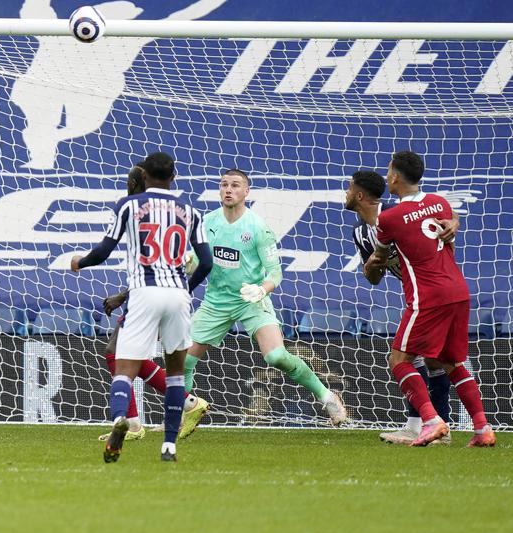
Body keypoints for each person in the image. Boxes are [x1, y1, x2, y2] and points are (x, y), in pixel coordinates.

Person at [13, 0, 272, 169]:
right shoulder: (62, 32)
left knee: (81, 127)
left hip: (95, 88)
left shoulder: (132, 36)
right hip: (46, 82)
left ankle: (49, 141)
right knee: (40, 121)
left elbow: (190, 14)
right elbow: (34, 11)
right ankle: (42, 159)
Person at [70, 152, 213, 463]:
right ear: (173, 177)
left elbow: (103, 251)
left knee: (123, 368)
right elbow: (206, 262)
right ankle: (169, 446)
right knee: (176, 373)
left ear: (144, 176)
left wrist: (80, 261)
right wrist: (185, 289)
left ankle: (122, 421)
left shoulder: (129, 206)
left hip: (144, 293)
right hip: (178, 296)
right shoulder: (191, 212)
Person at [183, 169, 348, 427]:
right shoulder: (207, 222)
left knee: (276, 357)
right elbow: (196, 260)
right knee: (184, 360)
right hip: (216, 302)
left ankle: (328, 397)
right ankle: (180, 415)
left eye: (235, 185)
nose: (228, 190)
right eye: (224, 185)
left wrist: (261, 290)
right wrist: (188, 262)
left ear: (246, 191)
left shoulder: (258, 227)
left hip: (252, 301)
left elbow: (275, 273)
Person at [369, 151, 494, 447]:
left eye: (388, 171)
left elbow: (380, 257)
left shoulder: (388, 218)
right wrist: (455, 220)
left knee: (399, 359)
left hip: (428, 295)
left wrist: (371, 262)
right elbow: (448, 223)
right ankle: (482, 428)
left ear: (395, 177)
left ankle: (431, 421)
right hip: (458, 290)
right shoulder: (440, 202)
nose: (386, 176)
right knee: (449, 361)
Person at [98, 165, 208, 442]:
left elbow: (159, 269)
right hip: (159, 297)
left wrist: (123, 295)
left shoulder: (141, 211)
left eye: (130, 181)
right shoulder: (163, 212)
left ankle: (138, 421)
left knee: (117, 353)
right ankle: (182, 405)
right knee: (122, 354)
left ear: (140, 182)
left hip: (152, 299)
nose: (127, 186)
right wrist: (124, 295)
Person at [346, 169, 456, 445]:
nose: (345, 194)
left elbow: (442, 216)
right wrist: (372, 266)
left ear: (359, 196)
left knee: (404, 359)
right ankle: (438, 428)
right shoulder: (360, 233)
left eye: (348, 189)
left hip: (433, 290)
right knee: (431, 360)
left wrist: (454, 221)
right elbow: (373, 279)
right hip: (417, 295)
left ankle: (424, 425)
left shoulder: (396, 213)